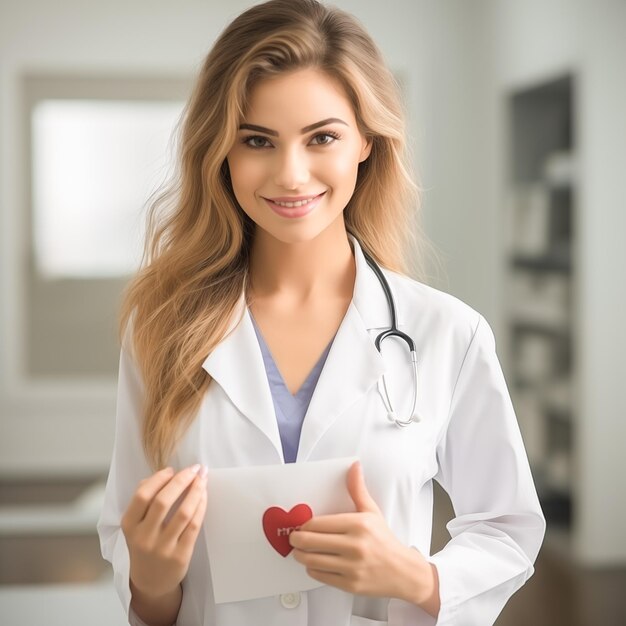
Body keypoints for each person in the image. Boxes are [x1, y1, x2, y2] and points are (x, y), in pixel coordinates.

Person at [97, 1, 546, 624]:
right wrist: (149, 580)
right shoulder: (160, 331)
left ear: (366, 140)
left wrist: (416, 577)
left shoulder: (448, 333)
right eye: (257, 140)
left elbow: (508, 528)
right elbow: (129, 536)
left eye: (322, 137)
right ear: (220, 152)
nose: (291, 174)